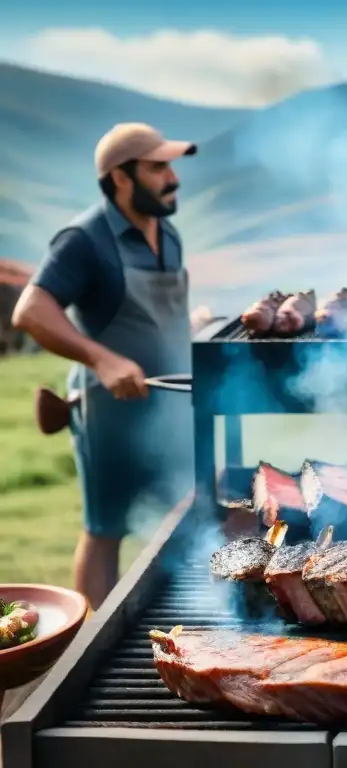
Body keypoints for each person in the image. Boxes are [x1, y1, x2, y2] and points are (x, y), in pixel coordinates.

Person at [13, 123, 198, 610]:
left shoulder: (169, 233)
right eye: (157, 167)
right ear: (120, 177)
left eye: (171, 165)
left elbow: (162, 315)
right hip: (108, 414)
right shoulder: (85, 239)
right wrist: (103, 358)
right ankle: (90, 647)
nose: (172, 177)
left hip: (170, 412)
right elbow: (30, 310)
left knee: (183, 516)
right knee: (105, 529)